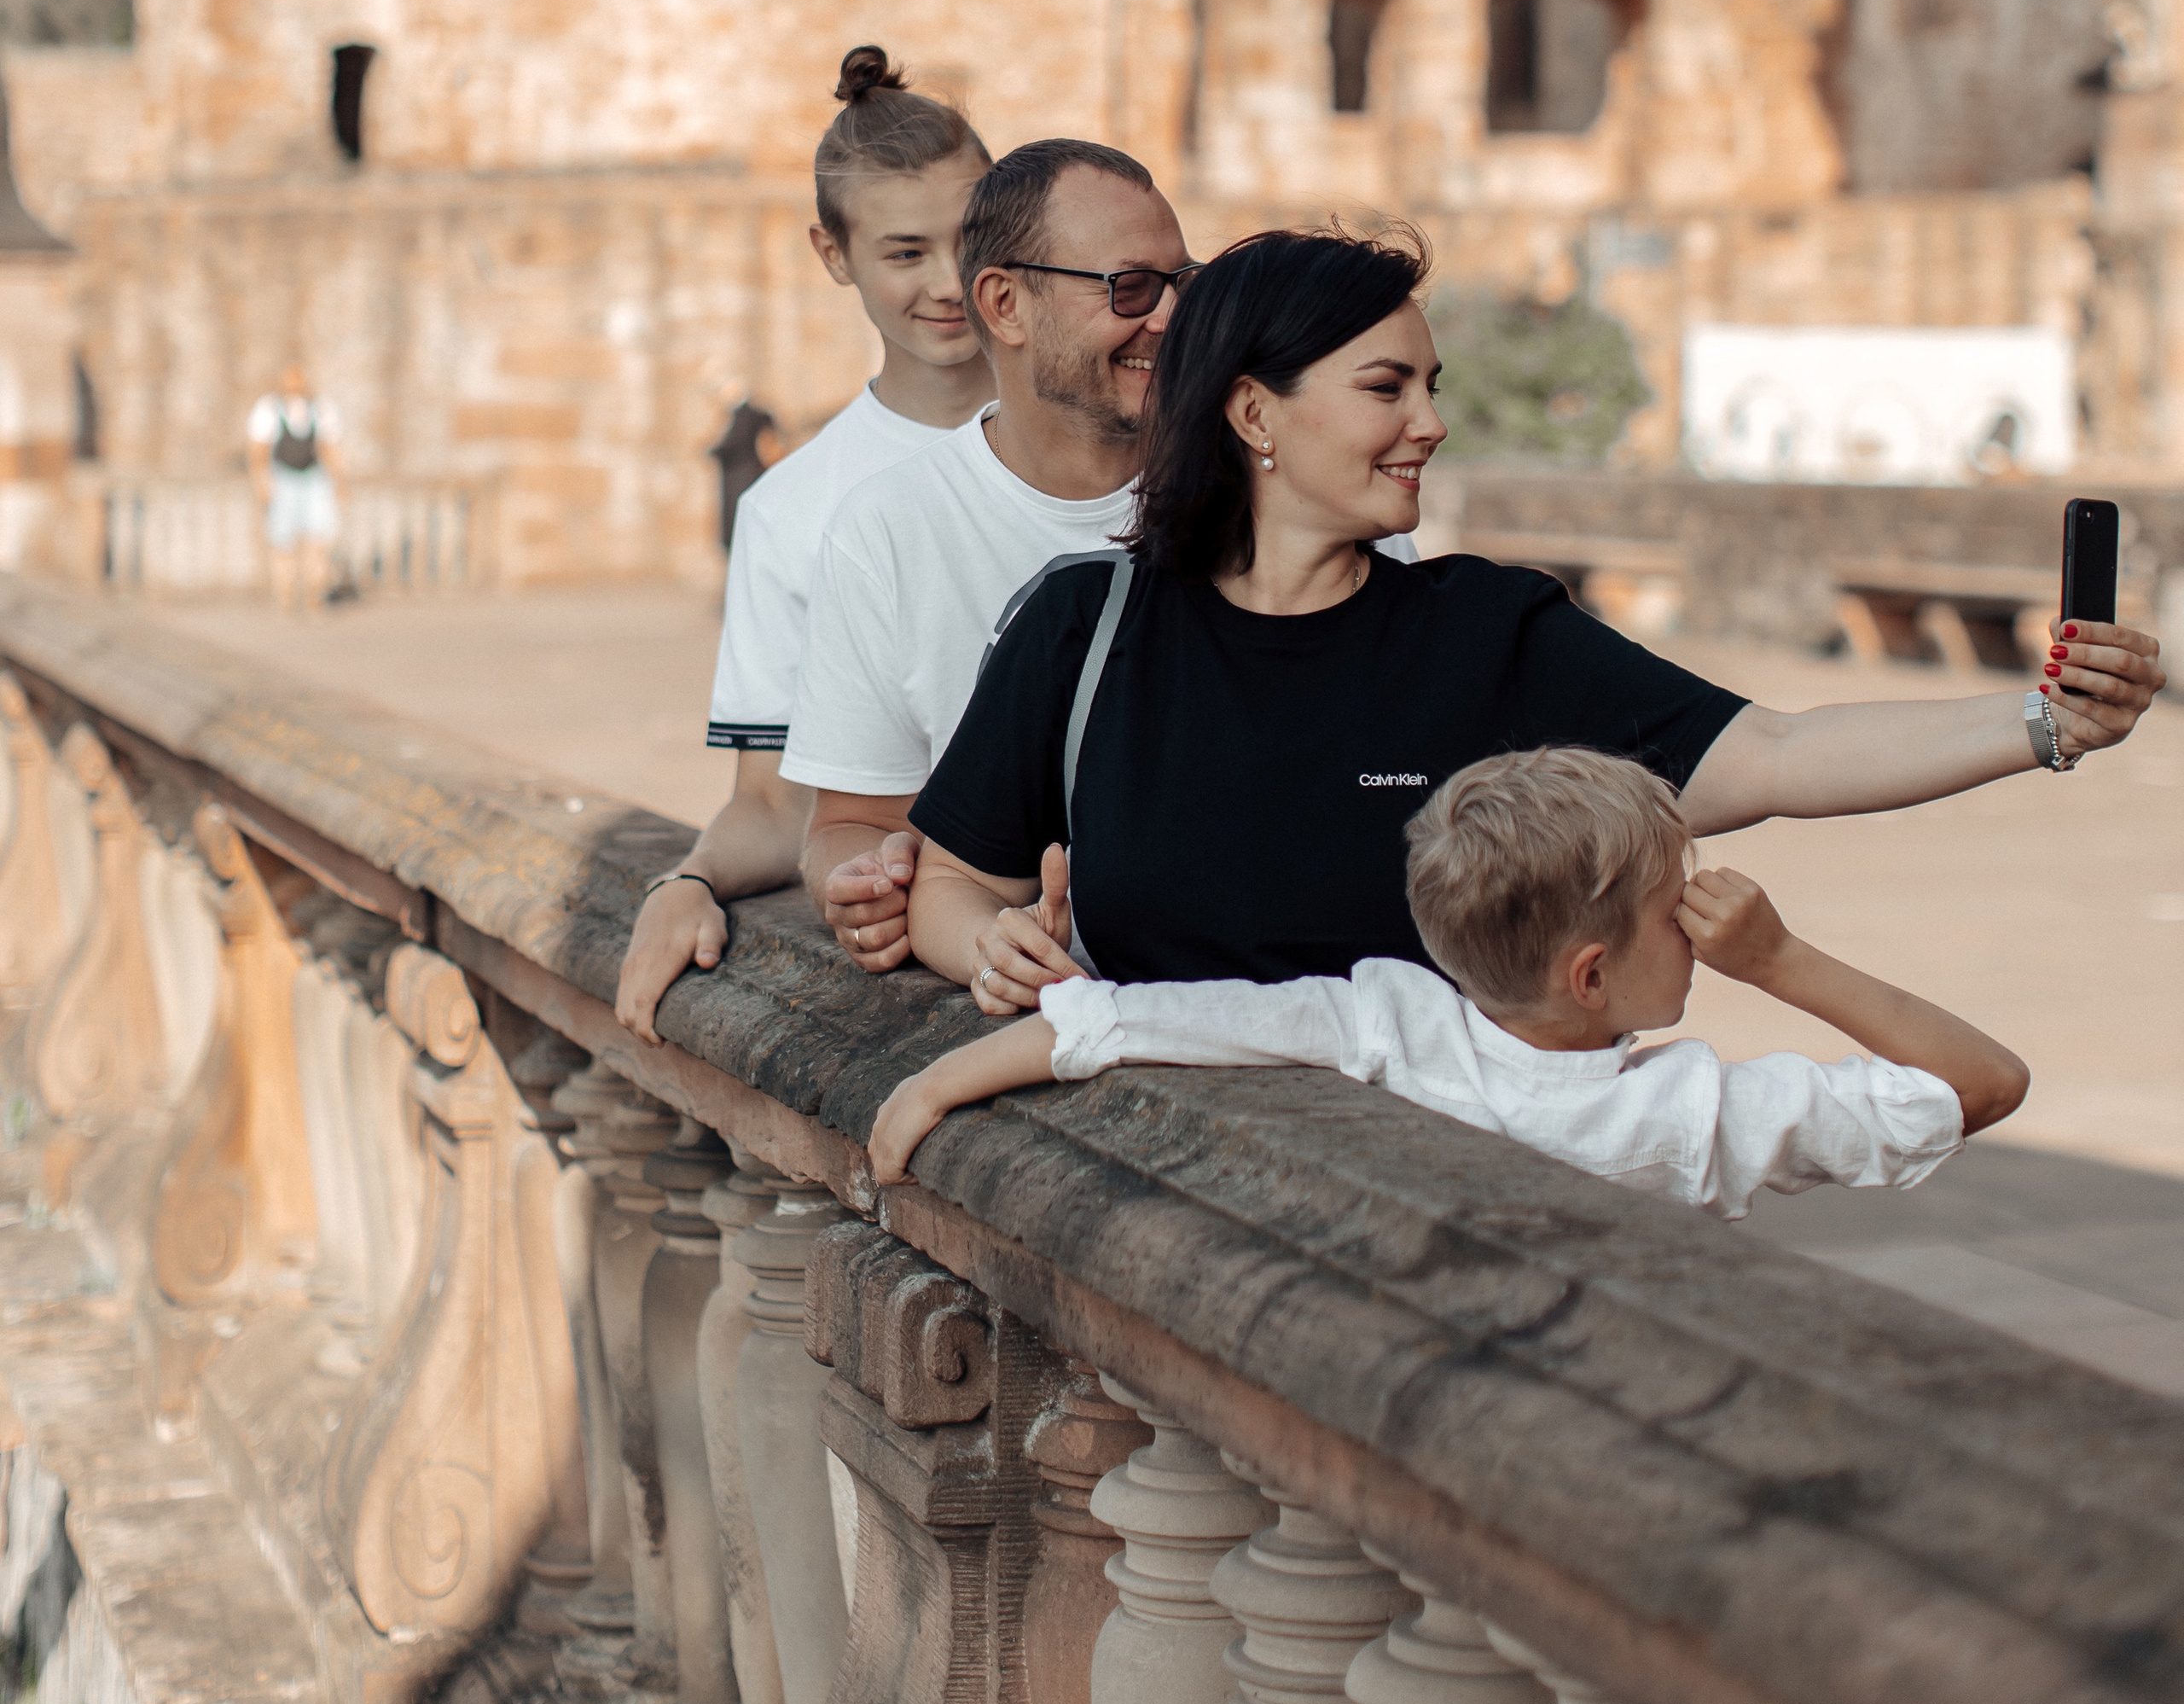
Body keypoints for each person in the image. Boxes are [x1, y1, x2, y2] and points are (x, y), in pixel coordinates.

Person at [902, 227, 2164, 1015]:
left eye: (1431, 386)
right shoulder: (1088, 631)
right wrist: (990, 950)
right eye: (1384, 387)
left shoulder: (1484, 631)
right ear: (1254, 416)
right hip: (1142, 1190)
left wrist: (2041, 724)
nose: (1430, 422)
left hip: (1424, 1203)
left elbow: (1772, 753)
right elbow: (952, 883)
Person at [868, 744, 2030, 1215]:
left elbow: (1127, 1023)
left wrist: (929, 1090)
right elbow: (1985, 1082)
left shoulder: (1387, 1023)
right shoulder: (1688, 1118)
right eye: (1672, 911)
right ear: (1590, 974)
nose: (1698, 923)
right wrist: (1779, 959)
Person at [615, 50, 991, 1042]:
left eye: (970, 240)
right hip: (947, 957)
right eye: (906, 253)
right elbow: (777, 801)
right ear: (835, 255)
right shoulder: (791, 510)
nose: (949, 283)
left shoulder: (1111, 437)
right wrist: (689, 878)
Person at [784, 136, 1197, 975]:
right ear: (1004, 304)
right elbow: (850, 819)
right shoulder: (889, 528)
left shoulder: (1284, 493)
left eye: (1186, 283)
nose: (1168, 317)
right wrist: (863, 883)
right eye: (1131, 287)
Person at [247, 363, 344, 614]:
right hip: (283, 478)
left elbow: (330, 448)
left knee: (318, 539)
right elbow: (259, 450)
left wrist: (339, 482)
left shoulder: (320, 408)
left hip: (313, 477)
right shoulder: (269, 409)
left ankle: (315, 595)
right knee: (282, 541)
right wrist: (262, 481)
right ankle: (285, 597)